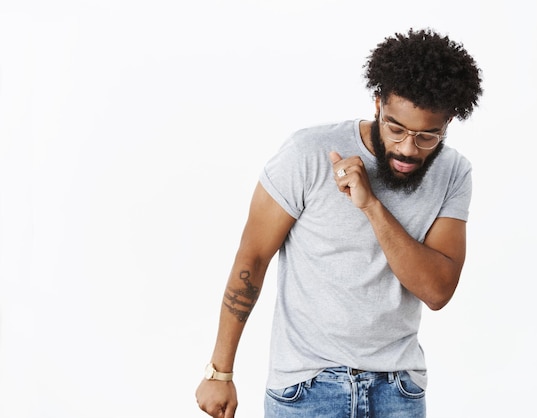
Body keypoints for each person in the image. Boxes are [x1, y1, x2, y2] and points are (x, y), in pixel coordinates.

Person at [196, 28, 483, 417]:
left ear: (449, 121)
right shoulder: (307, 154)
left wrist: (372, 207)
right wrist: (220, 371)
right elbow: (253, 258)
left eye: (427, 137)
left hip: (397, 391)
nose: (407, 149)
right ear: (378, 103)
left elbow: (437, 291)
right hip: (306, 390)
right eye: (396, 129)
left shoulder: (453, 173)